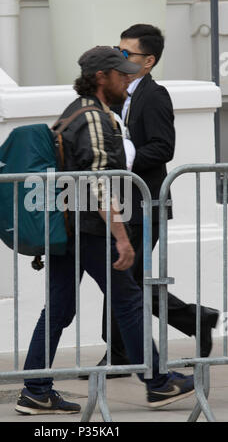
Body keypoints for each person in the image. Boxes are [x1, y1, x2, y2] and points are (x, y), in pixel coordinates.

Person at [15, 46, 195, 416]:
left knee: (59, 309)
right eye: (121, 73)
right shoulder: (94, 118)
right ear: (101, 77)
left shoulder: (74, 114)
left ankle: (35, 390)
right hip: (91, 230)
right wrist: (122, 237)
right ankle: (159, 383)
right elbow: (99, 183)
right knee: (128, 300)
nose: (128, 79)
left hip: (70, 229)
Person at [93, 24, 219, 376]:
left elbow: (163, 148)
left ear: (147, 61)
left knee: (124, 277)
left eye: (126, 54)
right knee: (127, 278)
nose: (119, 59)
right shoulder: (115, 95)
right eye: (117, 52)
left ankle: (119, 352)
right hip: (123, 204)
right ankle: (195, 319)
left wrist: (124, 159)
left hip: (147, 204)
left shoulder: (154, 95)